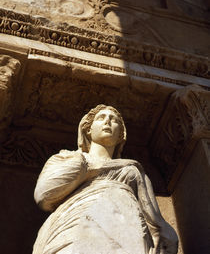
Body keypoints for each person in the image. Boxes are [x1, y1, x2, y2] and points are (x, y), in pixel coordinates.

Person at [33, 104, 178, 254]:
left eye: (114, 120)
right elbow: (44, 195)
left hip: (127, 230)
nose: (108, 122)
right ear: (88, 129)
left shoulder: (132, 170)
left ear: (121, 135)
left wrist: (166, 235)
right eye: (101, 118)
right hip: (75, 225)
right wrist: (84, 167)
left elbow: (155, 220)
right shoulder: (67, 158)